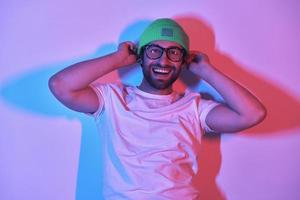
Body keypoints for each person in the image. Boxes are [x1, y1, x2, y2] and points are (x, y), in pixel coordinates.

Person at [49, 18, 266, 199]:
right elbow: (61, 85)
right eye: (154, 51)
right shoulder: (111, 99)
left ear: (183, 61)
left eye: (174, 53)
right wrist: (117, 59)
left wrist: (207, 71)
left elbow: (252, 114)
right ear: (140, 57)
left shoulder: (194, 107)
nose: (163, 60)